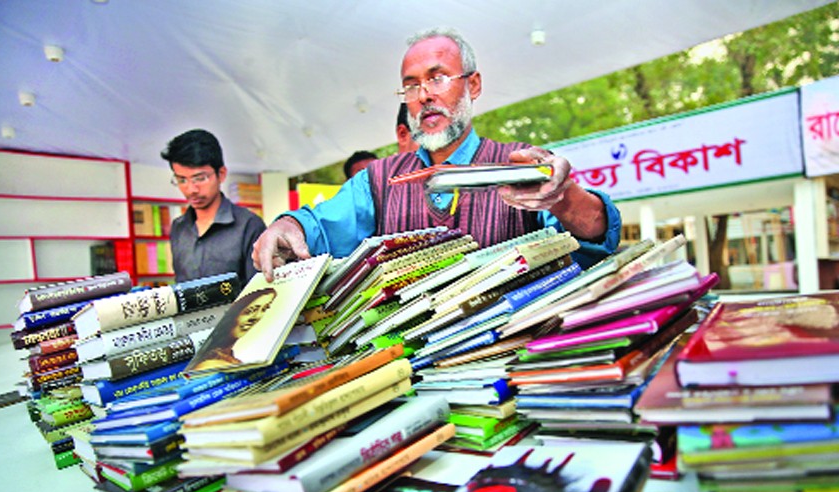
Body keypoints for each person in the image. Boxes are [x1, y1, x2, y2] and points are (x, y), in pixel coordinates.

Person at [253, 28, 621, 282]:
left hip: (504, 370)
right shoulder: (379, 180)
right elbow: (317, 228)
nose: (424, 95)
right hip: (404, 372)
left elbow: (596, 239)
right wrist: (287, 227)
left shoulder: (518, 165)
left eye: (438, 77)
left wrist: (563, 197)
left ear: (473, 84)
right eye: (411, 85)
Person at [161, 129, 266, 285]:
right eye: (182, 180)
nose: (191, 189)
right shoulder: (179, 228)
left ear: (221, 174)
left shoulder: (249, 226)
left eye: (200, 178)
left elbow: (259, 292)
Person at [186, 287, 276, 371]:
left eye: (264, 309)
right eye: (249, 311)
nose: (257, 317)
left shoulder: (231, 357)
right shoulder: (210, 364)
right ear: (233, 313)